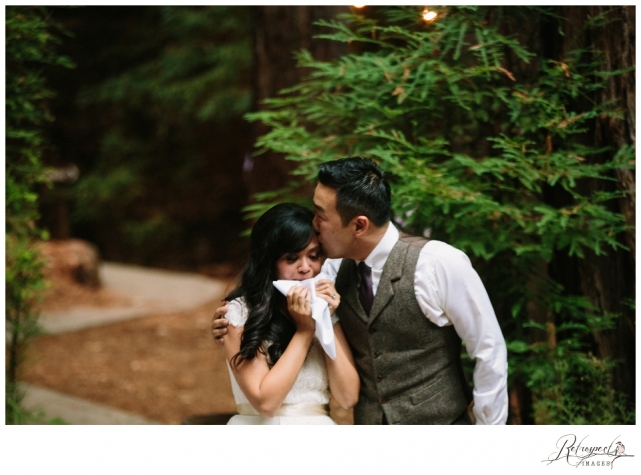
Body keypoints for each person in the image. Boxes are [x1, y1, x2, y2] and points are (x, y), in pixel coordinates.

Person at [213, 158, 508, 425]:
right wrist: (233, 320)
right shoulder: (329, 272)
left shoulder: (438, 263)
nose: (314, 224)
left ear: (358, 225)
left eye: (321, 214)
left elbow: (488, 349)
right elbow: (267, 294)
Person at [220, 202, 359, 425]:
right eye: (292, 259)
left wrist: (325, 317)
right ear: (269, 261)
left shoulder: (322, 308)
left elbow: (348, 397)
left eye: (313, 256)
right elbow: (265, 403)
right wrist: (304, 332)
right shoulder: (240, 312)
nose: (305, 268)